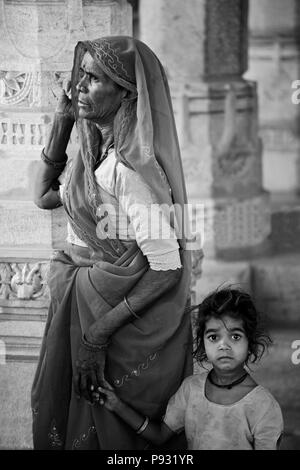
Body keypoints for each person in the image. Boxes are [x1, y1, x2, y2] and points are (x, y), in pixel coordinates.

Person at [31, 36, 193, 450]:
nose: (80, 85)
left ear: (126, 93)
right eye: (81, 74)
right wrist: (62, 121)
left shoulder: (128, 169)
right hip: (87, 309)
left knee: (106, 434)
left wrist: (97, 336)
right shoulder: (95, 152)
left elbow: (168, 265)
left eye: (95, 78)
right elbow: (46, 196)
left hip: (115, 325)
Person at [95, 288, 284, 450]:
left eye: (235, 336)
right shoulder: (191, 389)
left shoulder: (263, 406)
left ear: (249, 343)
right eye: (213, 337)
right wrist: (117, 405)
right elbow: (160, 436)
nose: (223, 346)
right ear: (202, 343)